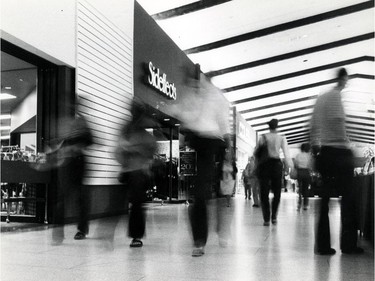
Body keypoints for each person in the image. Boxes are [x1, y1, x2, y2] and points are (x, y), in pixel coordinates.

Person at [310, 67, 363, 255]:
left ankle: (322, 246)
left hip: (325, 153)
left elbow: (312, 128)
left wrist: (316, 151)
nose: (346, 84)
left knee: (324, 201)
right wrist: (349, 148)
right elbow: (338, 123)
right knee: (349, 199)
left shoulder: (321, 98)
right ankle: (348, 245)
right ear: (343, 79)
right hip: (339, 153)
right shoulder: (335, 97)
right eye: (346, 81)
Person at [51, 100, 93, 243]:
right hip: (67, 162)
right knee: (63, 197)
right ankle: (58, 232)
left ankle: (81, 229)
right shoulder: (66, 124)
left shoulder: (82, 123)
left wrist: (75, 146)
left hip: (78, 161)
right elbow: (61, 144)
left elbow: (90, 140)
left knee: (79, 197)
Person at [116, 100, 157, 248]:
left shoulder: (136, 131)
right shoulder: (128, 129)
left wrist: (132, 149)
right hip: (132, 171)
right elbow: (119, 150)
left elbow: (152, 150)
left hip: (138, 172)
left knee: (136, 204)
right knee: (136, 204)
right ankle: (135, 235)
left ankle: (136, 235)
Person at [255, 118, 293, 226]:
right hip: (276, 165)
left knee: (264, 191)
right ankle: (274, 217)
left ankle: (266, 218)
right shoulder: (281, 138)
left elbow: (257, 152)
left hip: (264, 165)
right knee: (277, 192)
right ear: (277, 127)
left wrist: (256, 165)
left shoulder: (263, 137)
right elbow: (286, 154)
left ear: (269, 127)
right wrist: (291, 167)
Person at [294, 143, 312, 211]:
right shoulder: (309, 156)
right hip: (306, 172)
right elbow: (310, 165)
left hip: (300, 172)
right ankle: (305, 205)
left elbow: (295, 164)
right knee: (306, 189)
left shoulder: (298, 155)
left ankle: (299, 204)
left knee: (300, 189)